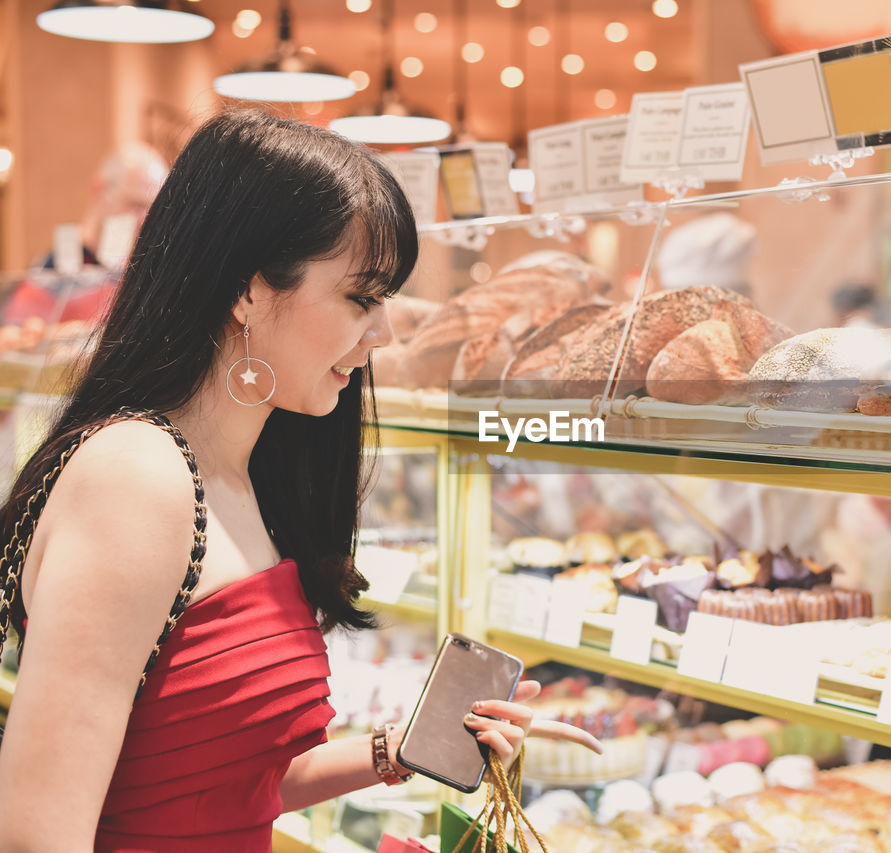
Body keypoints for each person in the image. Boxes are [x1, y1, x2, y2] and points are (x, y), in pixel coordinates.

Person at [0, 111, 559, 852]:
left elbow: (216, 779)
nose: (383, 332)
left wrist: (406, 745)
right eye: (362, 297)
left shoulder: (235, 472)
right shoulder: (136, 477)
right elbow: (38, 834)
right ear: (248, 291)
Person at [3, 143, 169, 326]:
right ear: (100, 190)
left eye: (152, 210)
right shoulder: (54, 267)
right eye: (135, 205)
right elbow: (18, 336)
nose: (144, 220)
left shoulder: (149, 270)